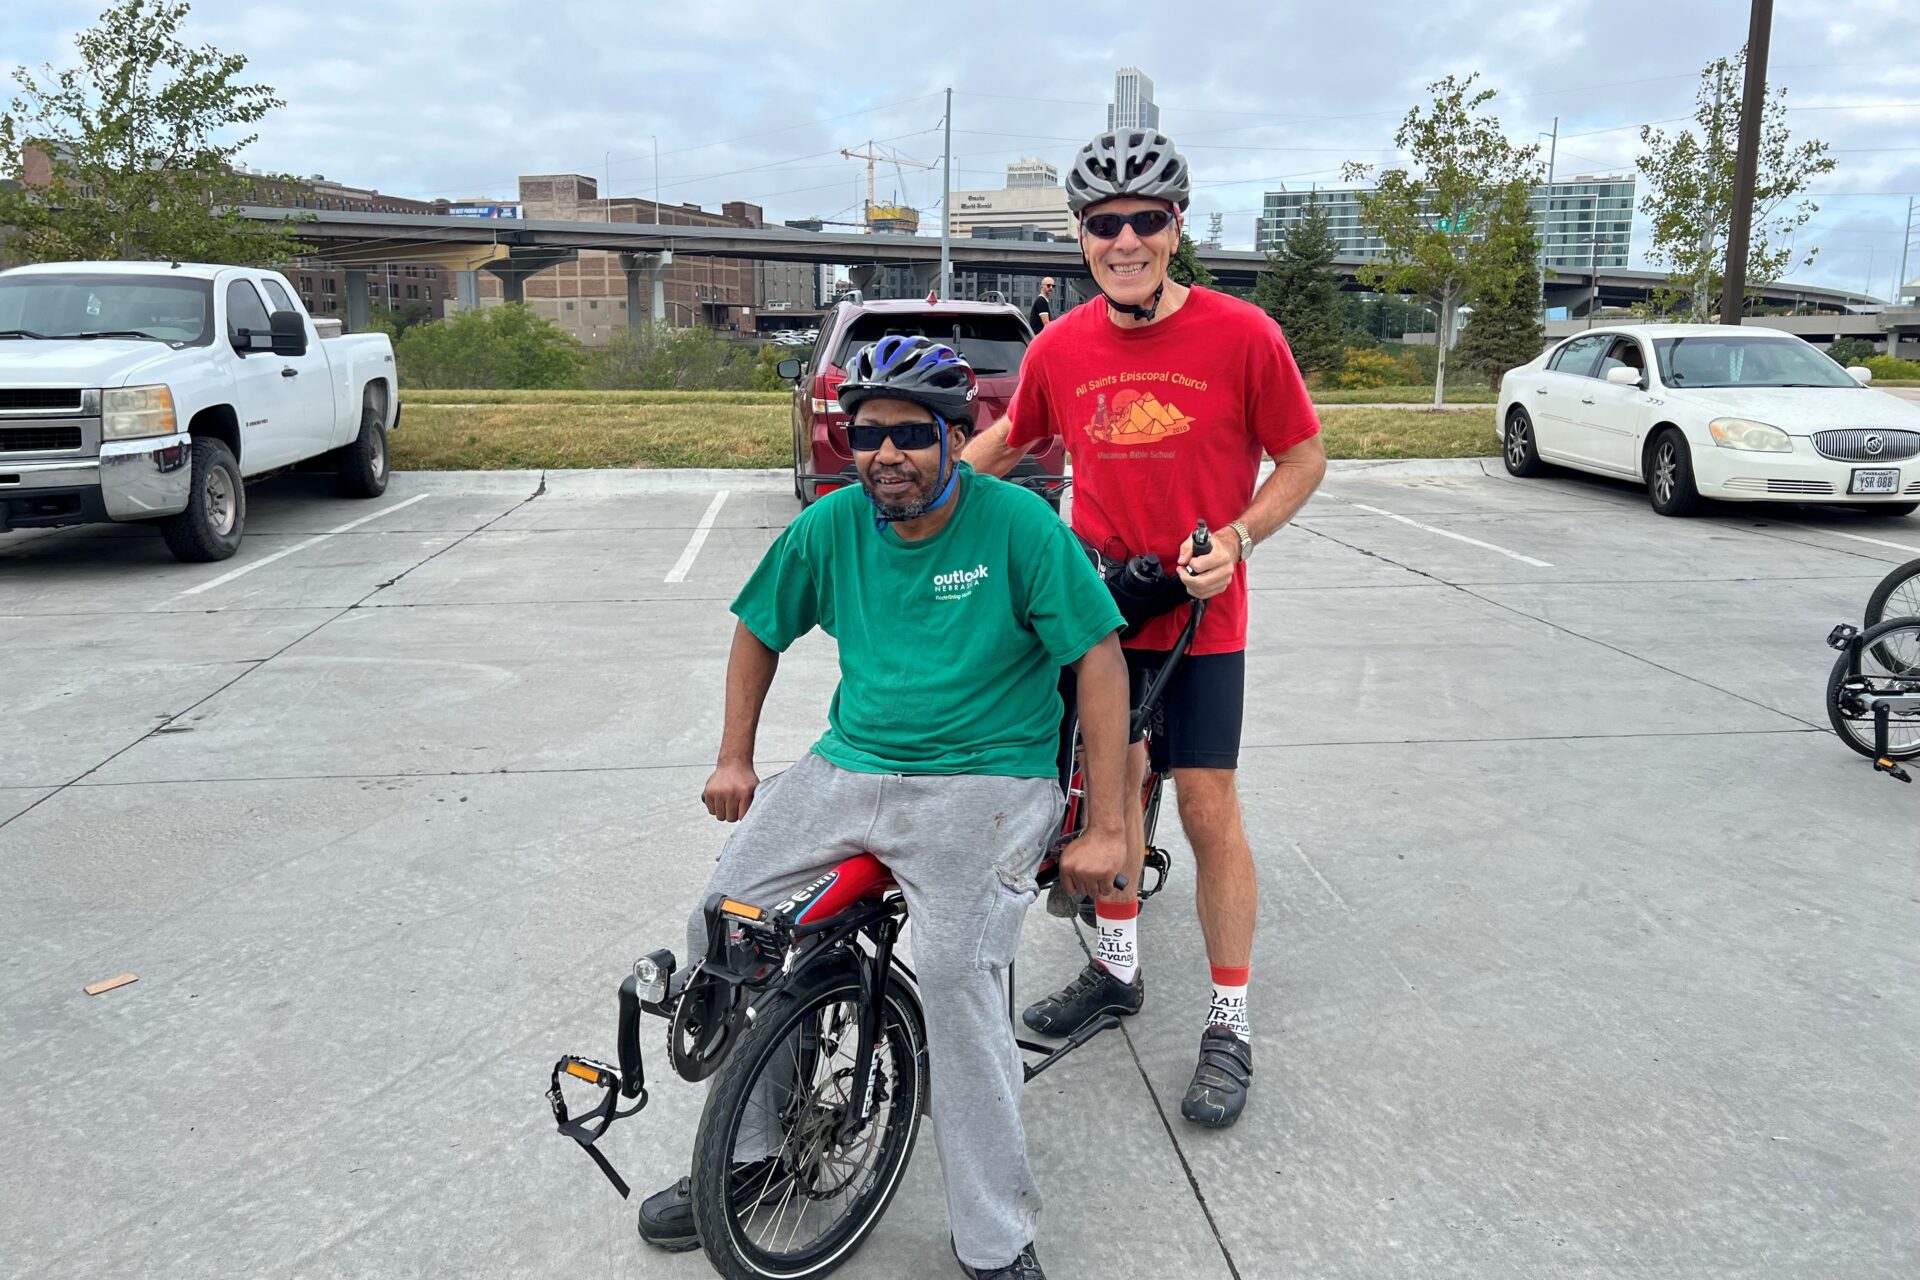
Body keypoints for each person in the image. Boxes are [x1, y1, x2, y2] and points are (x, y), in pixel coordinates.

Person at [638, 335, 1132, 1280]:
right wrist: (734, 756)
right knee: (724, 925)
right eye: (867, 435)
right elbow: (757, 630)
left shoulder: (1021, 529)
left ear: (957, 437)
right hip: (850, 763)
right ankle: (750, 1158)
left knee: (953, 977)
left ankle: (995, 1237)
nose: (886, 454)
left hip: (987, 780)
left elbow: (1098, 663)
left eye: (912, 434)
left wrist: (1104, 823)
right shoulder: (830, 527)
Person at [963, 128, 1328, 1130]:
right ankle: (1116, 969)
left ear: (1176, 229)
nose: (1124, 240)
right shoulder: (1064, 343)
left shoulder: (1243, 334)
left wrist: (1243, 538)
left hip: (1202, 614)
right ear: (1081, 235)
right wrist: (923, 498)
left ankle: (1229, 1019)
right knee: (1110, 796)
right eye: (1103, 224)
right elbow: (1013, 434)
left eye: (1145, 221)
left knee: (1209, 812)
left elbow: (1302, 459)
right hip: (1100, 615)